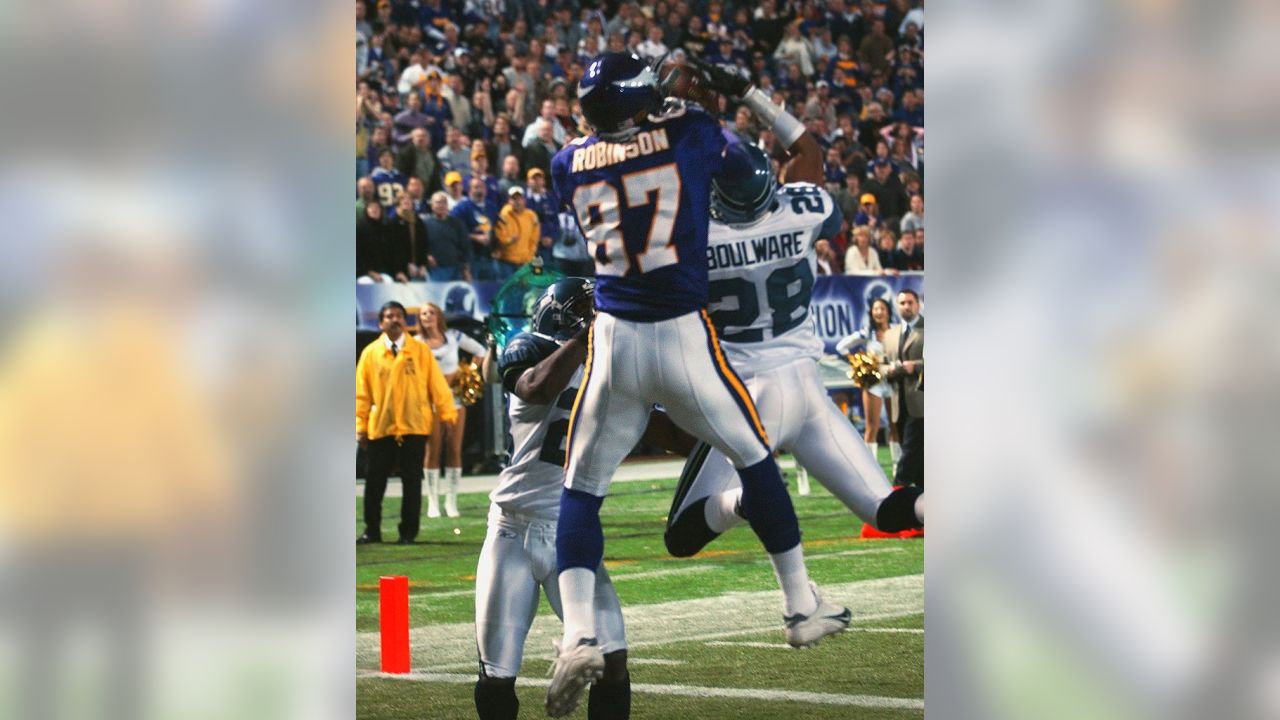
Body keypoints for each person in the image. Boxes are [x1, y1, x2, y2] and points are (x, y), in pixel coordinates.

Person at [545, 52, 842, 716]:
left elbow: (612, 149)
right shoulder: (694, 132)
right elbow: (753, 184)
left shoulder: (567, 163)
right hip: (682, 333)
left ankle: (576, 634)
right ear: (641, 102)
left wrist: (657, 109)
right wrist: (702, 103)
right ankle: (799, 604)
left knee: (581, 490)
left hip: (614, 338)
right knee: (755, 458)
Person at [662, 92, 922, 572]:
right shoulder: (804, 209)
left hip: (745, 397)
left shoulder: (697, 235)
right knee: (886, 509)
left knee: (681, 534)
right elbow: (809, 154)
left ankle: (751, 499)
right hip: (805, 390)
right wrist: (755, 98)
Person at [474, 278, 631, 720]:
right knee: (498, 674)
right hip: (513, 529)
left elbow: (662, 429)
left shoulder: (611, 367)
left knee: (612, 661)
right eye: (584, 308)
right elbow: (538, 388)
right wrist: (590, 336)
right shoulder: (526, 348)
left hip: (572, 534)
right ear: (557, 314)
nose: (595, 314)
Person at [356, 301, 457, 544]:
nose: (394, 320)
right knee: (374, 482)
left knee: (412, 482)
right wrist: (360, 426)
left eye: (399, 316)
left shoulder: (420, 352)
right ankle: (372, 530)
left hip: (414, 426)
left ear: (406, 321)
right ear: (381, 323)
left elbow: (437, 385)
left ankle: (408, 532)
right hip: (381, 427)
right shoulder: (370, 353)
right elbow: (361, 394)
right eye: (389, 316)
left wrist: (447, 414)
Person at [418, 304, 487, 518]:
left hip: (455, 399)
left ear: (439, 316)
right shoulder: (417, 343)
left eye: (431, 313)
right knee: (432, 450)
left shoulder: (454, 336)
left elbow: (481, 351)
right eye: (423, 314)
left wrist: (469, 372)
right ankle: (432, 502)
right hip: (429, 401)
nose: (427, 316)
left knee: (454, 449)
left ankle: (451, 501)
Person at [835, 297, 903, 471]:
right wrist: (858, 362)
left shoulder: (897, 331)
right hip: (874, 383)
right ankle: (869, 468)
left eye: (882, 309)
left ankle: (898, 466)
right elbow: (841, 346)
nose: (879, 312)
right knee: (871, 426)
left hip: (893, 381)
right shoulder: (866, 333)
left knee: (895, 424)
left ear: (888, 311)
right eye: (875, 309)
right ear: (871, 313)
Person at [881, 289, 923, 487]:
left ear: (918, 304)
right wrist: (887, 370)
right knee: (919, 460)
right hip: (899, 403)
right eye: (902, 303)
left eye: (910, 302)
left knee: (909, 451)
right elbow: (880, 363)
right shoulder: (890, 334)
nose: (906, 306)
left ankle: (897, 491)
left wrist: (916, 366)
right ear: (897, 307)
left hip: (923, 402)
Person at [493, 186, 541, 280]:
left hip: (525, 263)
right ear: (509, 201)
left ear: (524, 200)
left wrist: (529, 257)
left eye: (519, 198)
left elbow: (534, 240)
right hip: (506, 262)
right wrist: (510, 240)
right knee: (507, 291)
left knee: (525, 292)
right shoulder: (503, 216)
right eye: (513, 199)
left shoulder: (531, 216)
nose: (516, 201)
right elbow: (500, 238)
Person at [423, 191, 472, 281]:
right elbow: (420, 245)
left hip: (456, 270)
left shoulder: (457, 224)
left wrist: (466, 269)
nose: (441, 205)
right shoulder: (425, 224)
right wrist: (426, 256)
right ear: (432, 205)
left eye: (444, 202)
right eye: (438, 202)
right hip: (435, 270)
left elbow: (465, 246)